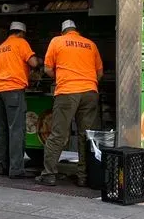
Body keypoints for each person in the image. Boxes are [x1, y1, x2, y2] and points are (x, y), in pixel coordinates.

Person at [35, 20, 103, 187]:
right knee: (85, 135)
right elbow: (99, 72)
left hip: (67, 92)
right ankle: (84, 176)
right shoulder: (90, 44)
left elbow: (47, 68)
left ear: (63, 31)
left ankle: (49, 174)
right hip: (90, 92)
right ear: (76, 31)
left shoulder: (57, 41)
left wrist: (63, 78)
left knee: (58, 133)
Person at [0, 21, 39, 178]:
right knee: (16, 130)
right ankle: (16, 169)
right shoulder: (21, 43)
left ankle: (1, 166)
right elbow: (33, 62)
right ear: (22, 33)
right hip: (12, 90)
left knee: (0, 130)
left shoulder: (0, 48)